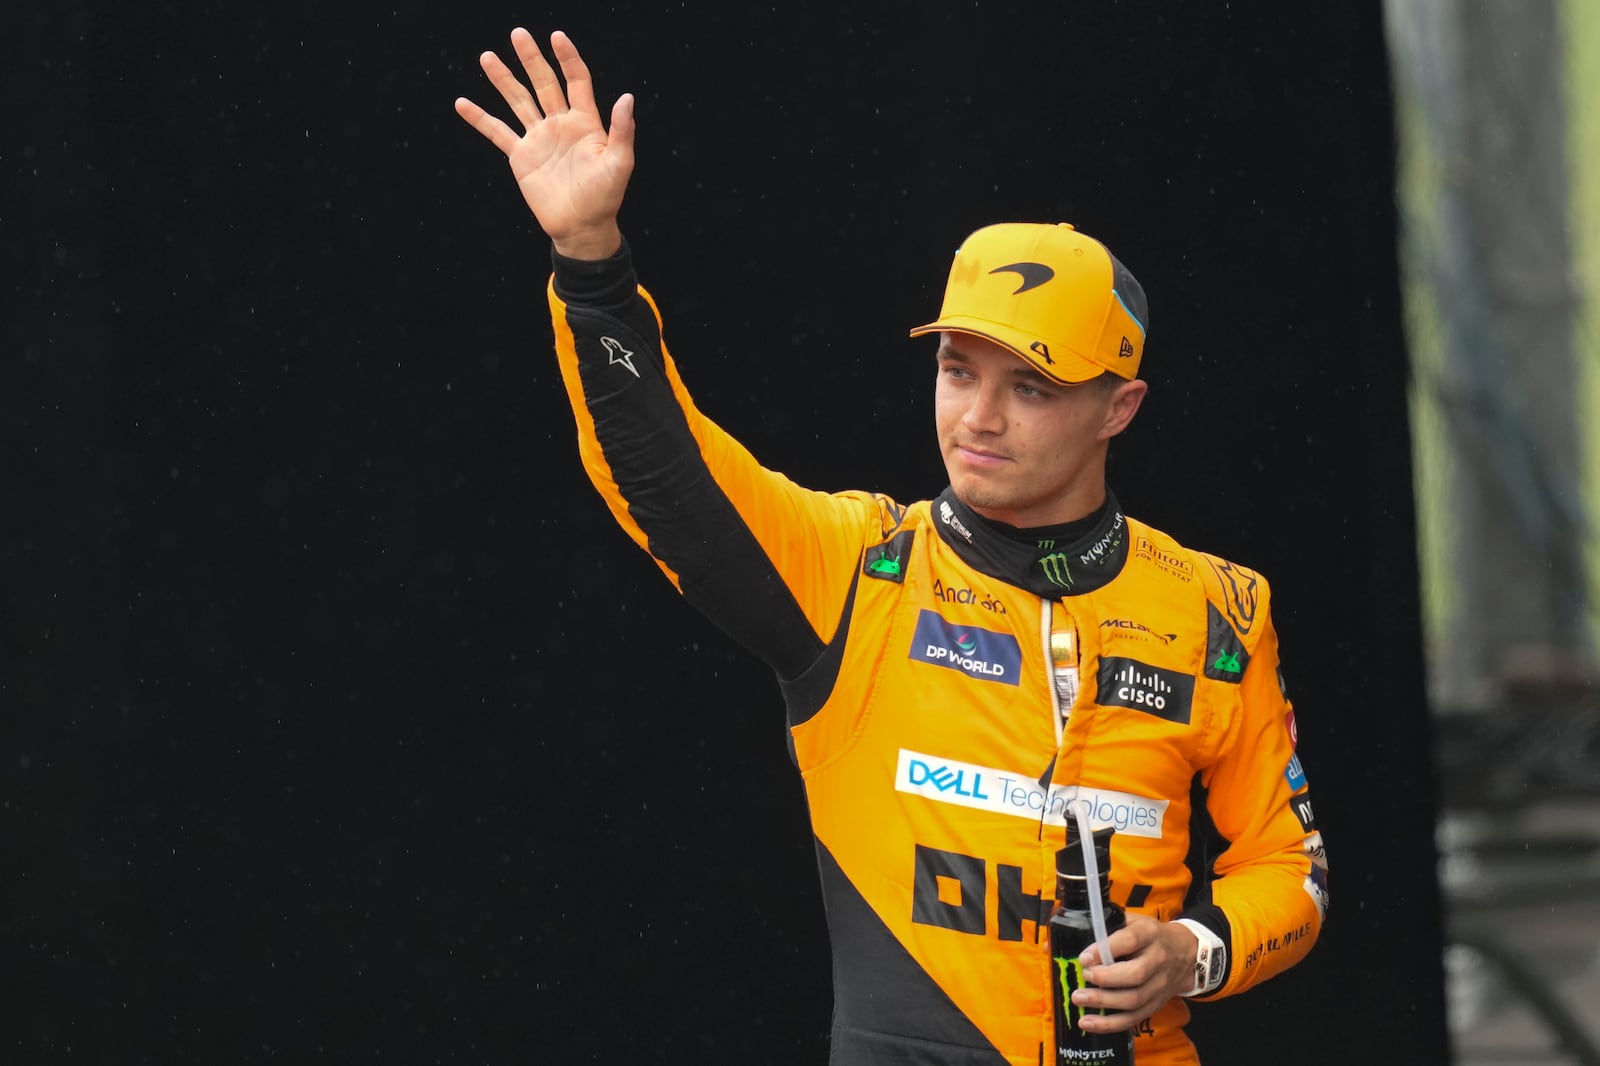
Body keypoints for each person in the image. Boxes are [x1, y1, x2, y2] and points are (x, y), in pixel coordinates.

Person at [455, 28, 1327, 1066]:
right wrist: (590, 263)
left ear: (1119, 407)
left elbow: (1289, 868)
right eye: (958, 370)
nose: (979, 417)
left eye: (1032, 386)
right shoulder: (858, 569)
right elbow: (664, 478)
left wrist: (1191, 949)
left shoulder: (1218, 609)